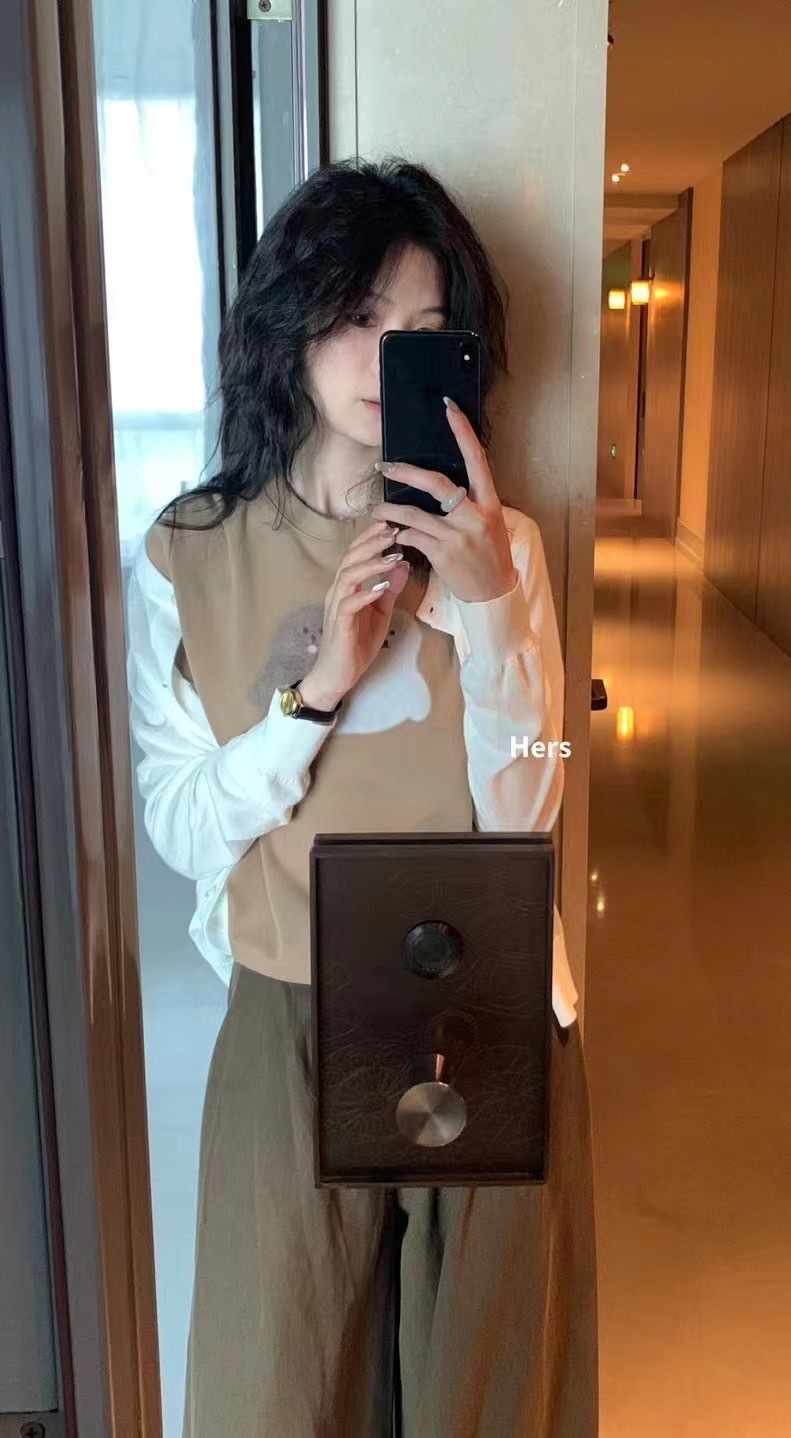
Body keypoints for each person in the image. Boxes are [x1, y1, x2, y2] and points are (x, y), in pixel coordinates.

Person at [125, 156, 597, 1438]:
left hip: (480, 1002)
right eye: (361, 315)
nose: (388, 354)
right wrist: (318, 690)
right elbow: (183, 824)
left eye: (423, 329)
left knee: (482, 1395)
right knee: (276, 1388)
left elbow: (530, 806)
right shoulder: (189, 555)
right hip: (291, 1008)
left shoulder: (502, 545)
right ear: (290, 322)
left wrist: (489, 611)